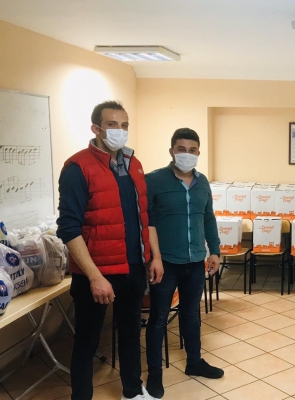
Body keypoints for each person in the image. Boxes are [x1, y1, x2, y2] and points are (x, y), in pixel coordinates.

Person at [57, 100, 164, 400]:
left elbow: (145, 217)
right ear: (96, 128)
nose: (120, 130)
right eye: (112, 124)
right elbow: (69, 228)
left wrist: (154, 257)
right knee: (87, 343)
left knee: (130, 334)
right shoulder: (78, 168)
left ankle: (132, 391)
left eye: (124, 125)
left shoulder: (134, 164)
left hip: (133, 268)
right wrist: (94, 277)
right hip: (97, 274)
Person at [145, 128, 223, 399]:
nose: (187, 154)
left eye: (192, 150)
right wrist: (154, 258)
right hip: (165, 263)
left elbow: (208, 217)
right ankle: (154, 375)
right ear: (171, 151)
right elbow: (147, 223)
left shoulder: (202, 183)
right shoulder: (153, 181)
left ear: (198, 153)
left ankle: (194, 362)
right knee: (158, 319)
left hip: (195, 261)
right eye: (181, 149)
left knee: (191, 314)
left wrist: (215, 251)